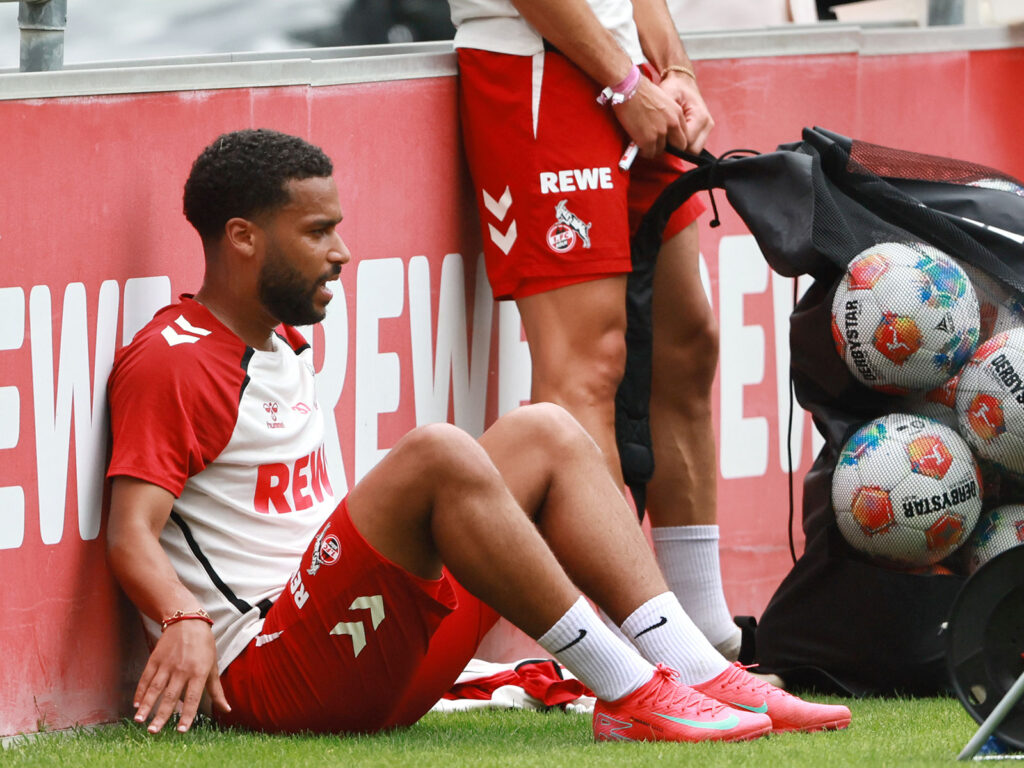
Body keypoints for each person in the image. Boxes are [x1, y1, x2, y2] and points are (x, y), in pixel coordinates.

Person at [105, 128, 849, 740]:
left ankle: (694, 667)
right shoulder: (175, 361)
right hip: (272, 682)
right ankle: (628, 692)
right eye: (317, 232)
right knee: (438, 452)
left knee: (546, 431)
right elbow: (131, 531)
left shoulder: (280, 339)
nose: (342, 253)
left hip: (358, 652)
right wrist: (182, 616)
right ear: (241, 238)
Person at [449, 0, 744, 658]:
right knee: (586, 366)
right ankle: (631, 654)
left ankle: (709, 633)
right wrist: (624, 81)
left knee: (688, 341)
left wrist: (676, 71)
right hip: (537, 65)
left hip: (626, 72)